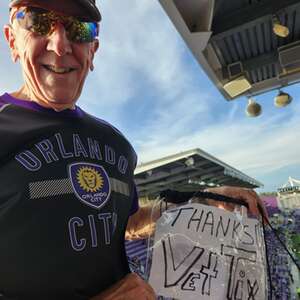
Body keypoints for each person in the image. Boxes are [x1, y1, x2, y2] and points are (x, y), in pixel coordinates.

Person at [0, 0, 268, 299]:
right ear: (12, 40)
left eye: (79, 28)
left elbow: (128, 224)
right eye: (38, 21)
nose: (60, 44)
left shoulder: (115, 143)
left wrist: (203, 201)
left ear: (93, 52)